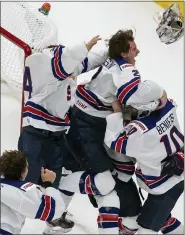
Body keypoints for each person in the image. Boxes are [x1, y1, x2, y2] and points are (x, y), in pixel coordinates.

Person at [61, 29, 168, 233]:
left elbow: (76, 66)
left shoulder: (107, 56)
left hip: (76, 116)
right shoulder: (127, 70)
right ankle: (58, 209)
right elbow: (131, 96)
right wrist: (159, 96)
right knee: (105, 182)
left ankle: (55, 213)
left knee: (74, 167)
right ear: (124, 53)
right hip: (87, 127)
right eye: (134, 49)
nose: (138, 52)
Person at [104, 98, 184, 234]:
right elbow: (162, 97)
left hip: (164, 186)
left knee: (146, 230)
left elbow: (114, 141)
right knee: (161, 219)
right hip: (174, 177)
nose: (129, 110)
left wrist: (117, 112)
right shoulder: (168, 107)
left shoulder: (141, 131)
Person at [0, 150, 66, 235]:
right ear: (23, 172)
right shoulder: (24, 192)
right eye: (27, 167)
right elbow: (54, 210)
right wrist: (48, 183)